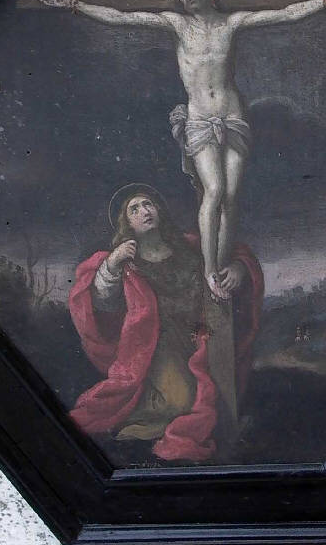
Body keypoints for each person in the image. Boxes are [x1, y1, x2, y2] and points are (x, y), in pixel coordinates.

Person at [36, 0, 326, 297]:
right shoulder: (177, 24)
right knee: (215, 189)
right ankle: (209, 269)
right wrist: (73, 4)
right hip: (199, 119)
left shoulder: (231, 23)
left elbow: (286, 13)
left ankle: (221, 265)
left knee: (231, 196)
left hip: (233, 116)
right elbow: (122, 18)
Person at [68, 184, 264, 463]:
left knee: (220, 391)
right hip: (159, 343)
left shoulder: (190, 245)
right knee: (182, 402)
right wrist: (112, 263)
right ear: (126, 223)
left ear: (159, 210)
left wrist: (238, 269)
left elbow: (234, 254)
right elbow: (100, 300)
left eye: (148, 204)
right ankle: (144, 419)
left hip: (202, 334)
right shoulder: (126, 261)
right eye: (134, 209)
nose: (144, 211)